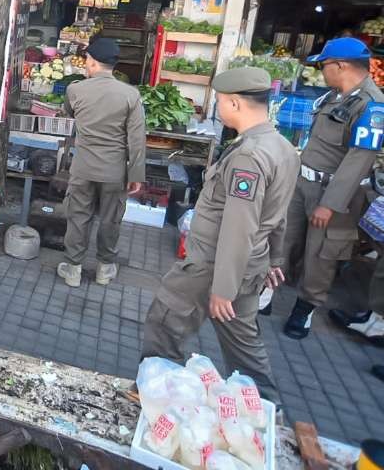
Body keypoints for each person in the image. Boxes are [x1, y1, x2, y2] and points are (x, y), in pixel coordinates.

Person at [142, 67, 298, 402]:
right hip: (251, 264)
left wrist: (223, 289)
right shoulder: (282, 147)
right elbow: (277, 214)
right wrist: (275, 258)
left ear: (236, 103)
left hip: (213, 267)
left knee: (165, 321)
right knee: (244, 345)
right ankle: (265, 407)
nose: (218, 108)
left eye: (221, 102)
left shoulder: (249, 156)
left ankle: (157, 395)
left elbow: (238, 226)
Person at [270, 37, 384, 339]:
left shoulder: (372, 105)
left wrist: (330, 203)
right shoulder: (335, 96)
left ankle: (304, 310)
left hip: (334, 194)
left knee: (321, 254)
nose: (322, 72)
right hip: (303, 182)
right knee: (283, 239)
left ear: (341, 65)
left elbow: (358, 159)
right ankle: (266, 293)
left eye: (324, 66)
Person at [57, 37, 146, 288]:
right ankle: (105, 269)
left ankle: (73, 268)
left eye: (87, 60)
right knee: (111, 219)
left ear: (93, 62)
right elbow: (137, 140)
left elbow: (70, 112)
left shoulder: (75, 89)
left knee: (78, 217)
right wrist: (136, 174)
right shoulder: (130, 95)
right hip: (115, 171)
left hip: (83, 167)